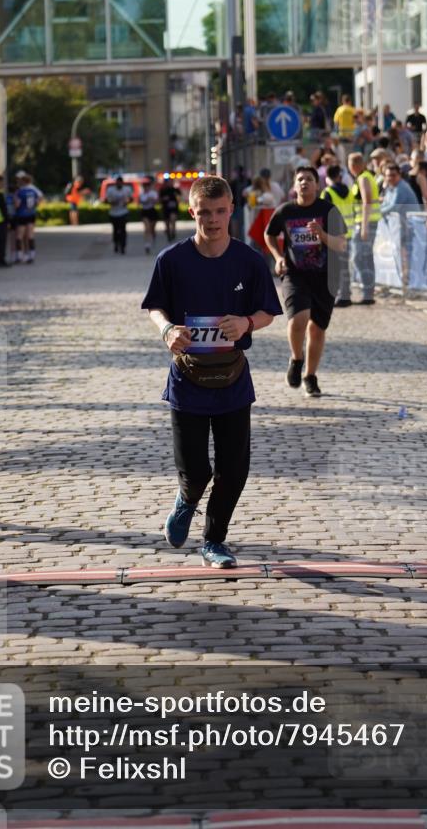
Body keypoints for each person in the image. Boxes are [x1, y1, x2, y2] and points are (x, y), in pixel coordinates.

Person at [141, 176, 281, 569]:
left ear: (232, 210)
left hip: (233, 380)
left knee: (234, 470)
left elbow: (268, 311)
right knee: (197, 471)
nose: (214, 220)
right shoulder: (171, 260)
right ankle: (186, 500)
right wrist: (167, 329)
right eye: (205, 213)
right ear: (192, 212)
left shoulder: (249, 261)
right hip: (187, 379)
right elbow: (155, 308)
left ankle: (214, 541)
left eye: (220, 211)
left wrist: (247, 324)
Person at [264, 166, 347, 397]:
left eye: (309, 179)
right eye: (300, 179)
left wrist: (321, 235)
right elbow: (269, 234)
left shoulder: (328, 210)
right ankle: (296, 358)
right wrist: (278, 257)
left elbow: (341, 244)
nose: (304, 183)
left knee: (317, 329)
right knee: (299, 317)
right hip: (295, 274)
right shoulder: (285, 211)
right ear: (294, 185)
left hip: (325, 276)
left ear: (317, 185)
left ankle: (310, 376)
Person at [347, 152, 381, 304]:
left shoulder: (363, 178)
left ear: (353, 165)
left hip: (366, 222)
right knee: (365, 257)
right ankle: (368, 293)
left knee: (359, 257)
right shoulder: (366, 176)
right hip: (366, 221)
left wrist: (364, 226)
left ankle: (367, 290)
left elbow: (367, 201)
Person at [320, 163, 354, 307]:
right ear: (339, 176)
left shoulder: (327, 193)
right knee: (345, 266)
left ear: (327, 178)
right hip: (348, 232)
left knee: (334, 266)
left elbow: (324, 215)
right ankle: (346, 295)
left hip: (333, 235)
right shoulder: (350, 191)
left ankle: (336, 295)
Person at [14, 174, 43, 263]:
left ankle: (19, 256)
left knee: (19, 236)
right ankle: (31, 255)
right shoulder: (33, 190)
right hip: (31, 214)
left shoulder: (19, 191)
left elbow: (17, 205)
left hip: (21, 215)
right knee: (30, 235)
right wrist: (35, 206)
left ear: (22, 182)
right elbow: (39, 200)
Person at [106, 175, 133, 254]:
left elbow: (131, 198)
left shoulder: (127, 189)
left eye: (120, 183)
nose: (119, 184)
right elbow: (106, 200)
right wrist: (112, 202)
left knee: (123, 230)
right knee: (115, 230)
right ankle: (116, 243)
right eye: (118, 183)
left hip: (123, 212)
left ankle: (123, 246)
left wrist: (127, 202)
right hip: (113, 213)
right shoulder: (111, 190)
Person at [139, 178, 159, 255]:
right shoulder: (142, 194)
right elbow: (140, 202)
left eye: (147, 186)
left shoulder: (153, 193)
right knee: (147, 228)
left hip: (152, 211)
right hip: (145, 211)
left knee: (152, 229)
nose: (146, 187)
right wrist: (146, 200)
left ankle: (153, 239)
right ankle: (147, 244)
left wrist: (152, 200)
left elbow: (157, 201)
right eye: (144, 186)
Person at [159, 176, 181, 242]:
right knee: (167, 223)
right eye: (169, 182)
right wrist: (164, 199)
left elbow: (180, 196)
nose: (170, 183)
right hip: (166, 208)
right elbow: (159, 199)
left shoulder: (175, 189)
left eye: (171, 182)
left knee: (173, 219)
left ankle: (173, 232)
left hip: (174, 208)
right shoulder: (162, 190)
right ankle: (168, 234)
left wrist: (178, 198)